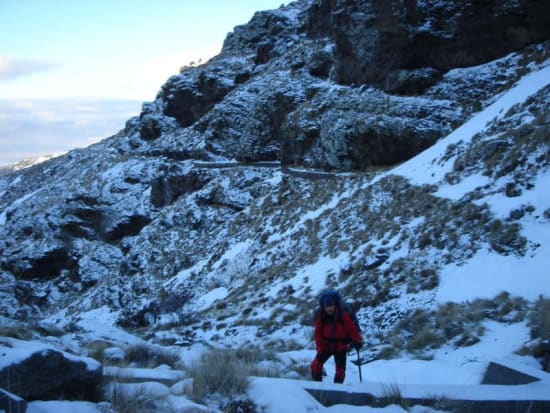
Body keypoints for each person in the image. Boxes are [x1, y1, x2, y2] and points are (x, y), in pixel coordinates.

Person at [310, 290, 363, 383]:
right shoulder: (321, 317)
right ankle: (317, 386)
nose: (329, 308)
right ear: (324, 306)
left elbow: (351, 329)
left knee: (340, 370)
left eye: (331, 306)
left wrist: (358, 340)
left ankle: (337, 388)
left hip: (341, 346)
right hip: (326, 346)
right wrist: (320, 347)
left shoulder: (342, 315)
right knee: (315, 365)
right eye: (327, 306)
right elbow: (317, 334)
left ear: (335, 305)